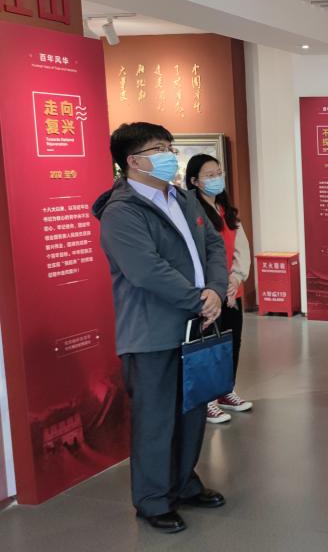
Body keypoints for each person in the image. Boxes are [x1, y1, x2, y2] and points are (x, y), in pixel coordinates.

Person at [93, 122, 228, 533]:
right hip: (152, 332)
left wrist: (216, 289)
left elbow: (213, 245)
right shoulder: (121, 212)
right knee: (155, 420)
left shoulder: (182, 198)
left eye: (170, 146)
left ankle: (183, 483)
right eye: (159, 148)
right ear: (133, 161)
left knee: (191, 411)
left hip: (194, 324)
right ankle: (153, 500)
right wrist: (199, 299)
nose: (170, 154)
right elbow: (146, 270)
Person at [185, 154, 254, 424]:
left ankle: (225, 390)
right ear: (194, 181)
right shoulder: (193, 211)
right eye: (210, 175)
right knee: (208, 346)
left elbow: (241, 248)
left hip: (232, 292)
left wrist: (236, 278)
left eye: (218, 173)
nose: (217, 178)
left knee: (231, 342)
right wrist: (219, 284)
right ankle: (207, 400)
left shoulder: (227, 210)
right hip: (209, 293)